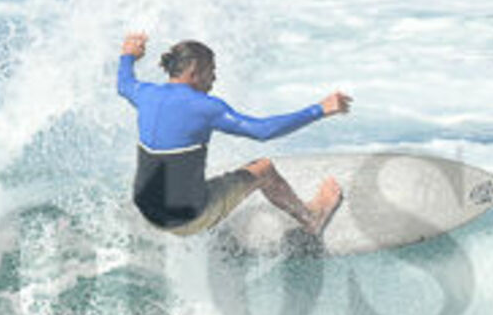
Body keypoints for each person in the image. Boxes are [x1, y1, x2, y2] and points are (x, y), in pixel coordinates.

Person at [120, 32, 350, 238]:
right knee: (264, 169)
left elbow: (124, 83)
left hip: (147, 211)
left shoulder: (144, 93)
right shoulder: (207, 107)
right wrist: (320, 109)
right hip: (185, 219)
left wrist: (128, 55)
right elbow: (263, 131)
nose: (214, 79)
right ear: (194, 71)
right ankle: (312, 218)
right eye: (211, 71)